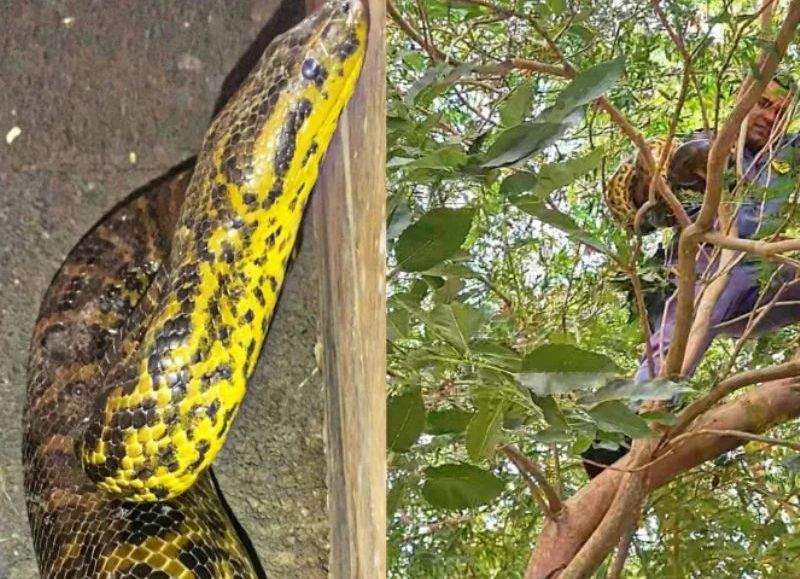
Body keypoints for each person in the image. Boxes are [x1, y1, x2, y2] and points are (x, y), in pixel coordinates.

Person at [583, 77, 800, 478]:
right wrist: (689, 172)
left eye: (780, 112)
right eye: (763, 104)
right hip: (712, 267)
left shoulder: (786, 153)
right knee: (692, 316)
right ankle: (625, 421)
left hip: (763, 278)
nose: (770, 117)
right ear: (743, 99)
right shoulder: (713, 144)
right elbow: (656, 185)